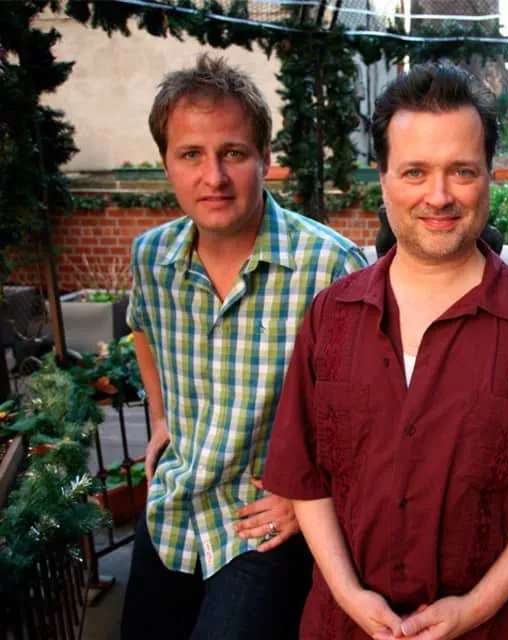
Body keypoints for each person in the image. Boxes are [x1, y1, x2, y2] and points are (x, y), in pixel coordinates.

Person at [262, 62, 508, 640]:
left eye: (462, 171)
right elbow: (306, 479)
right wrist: (349, 595)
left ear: (490, 175)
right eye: (415, 172)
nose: (439, 196)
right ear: (383, 178)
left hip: (494, 627)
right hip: (345, 625)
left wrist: (473, 609)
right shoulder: (331, 315)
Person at [120, 53, 367, 640]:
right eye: (191, 155)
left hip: (262, 523)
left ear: (265, 158)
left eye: (233, 153)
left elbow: (371, 407)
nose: (214, 177)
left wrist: (313, 494)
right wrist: (161, 417)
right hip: (175, 505)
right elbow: (141, 328)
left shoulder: (328, 265)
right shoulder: (152, 258)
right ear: (166, 163)